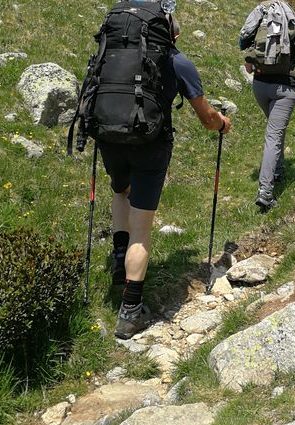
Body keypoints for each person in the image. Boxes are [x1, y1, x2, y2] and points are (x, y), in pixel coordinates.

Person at [103, 16, 232, 339]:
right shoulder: (177, 61)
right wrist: (222, 124)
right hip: (150, 144)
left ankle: (120, 259)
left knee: (121, 192)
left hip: (109, 135)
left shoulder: (112, 52)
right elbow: (205, 117)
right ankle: (131, 310)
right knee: (142, 226)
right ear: (171, 34)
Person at [243, 1, 295, 212]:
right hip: (284, 90)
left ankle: (279, 170)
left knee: (276, 130)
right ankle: (265, 192)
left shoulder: (260, 26)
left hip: (260, 86)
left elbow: (248, 66)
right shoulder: (294, 26)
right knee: (273, 136)